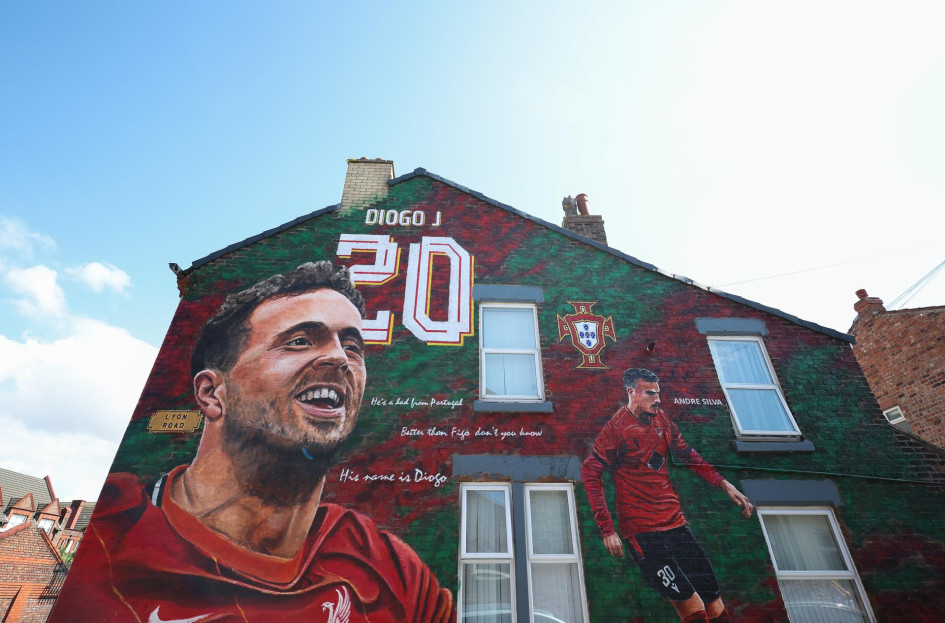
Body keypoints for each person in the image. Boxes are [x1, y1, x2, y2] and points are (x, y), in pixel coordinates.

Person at [50, 262, 453, 623]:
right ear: (211, 393)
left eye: (352, 347)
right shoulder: (112, 535)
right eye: (299, 341)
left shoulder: (394, 573)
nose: (340, 360)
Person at [581, 368, 753, 623]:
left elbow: (688, 455)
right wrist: (607, 529)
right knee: (692, 604)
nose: (657, 398)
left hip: (676, 525)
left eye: (658, 392)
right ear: (632, 393)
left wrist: (725, 484)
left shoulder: (661, 419)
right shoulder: (616, 429)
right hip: (643, 533)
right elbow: (590, 472)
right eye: (650, 393)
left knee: (714, 600)